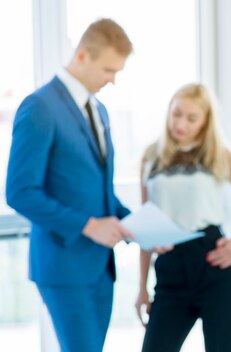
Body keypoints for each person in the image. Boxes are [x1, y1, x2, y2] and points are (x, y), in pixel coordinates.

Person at [6, 19, 134, 352]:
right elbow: (19, 191)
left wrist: (135, 223)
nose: (113, 80)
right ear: (82, 56)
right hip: (64, 265)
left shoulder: (100, 110)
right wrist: (88, 226)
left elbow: (99, 187)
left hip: (101, 266)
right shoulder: (40, 107)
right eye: (108, 69)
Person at [135, 83, 231, 352]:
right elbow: (147, 225)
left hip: (213, 264)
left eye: (192, 118)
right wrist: (142, 287)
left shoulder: (220, 156)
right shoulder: (150, 157)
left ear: (205, 122)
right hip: (169, 268)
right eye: (176, 113)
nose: (181, 123)